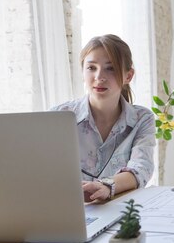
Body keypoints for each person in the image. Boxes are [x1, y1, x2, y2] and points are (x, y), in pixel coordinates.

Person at [52, 34, 155, 202]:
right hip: (67, 209)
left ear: (128, 76)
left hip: (121, 210)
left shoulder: (142, 119)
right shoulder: (58, 117)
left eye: (111, 68)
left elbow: (141, 168)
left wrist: (107, 186)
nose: (99, 77)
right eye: (91, 68)